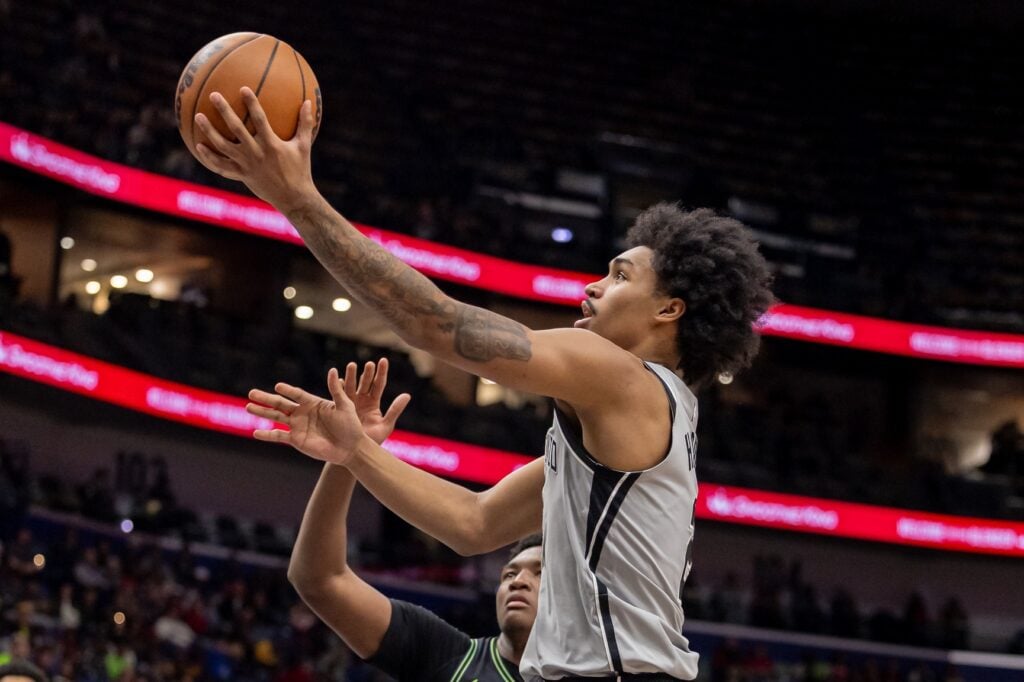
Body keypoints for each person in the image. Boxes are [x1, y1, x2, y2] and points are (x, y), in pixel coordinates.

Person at [199, 88, 772, 680]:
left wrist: (297, 199)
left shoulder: (620, 376)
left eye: (619, 276)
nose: (593, 286)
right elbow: (473, 525)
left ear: (669, 310)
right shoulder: (640, 422)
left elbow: (438, 325)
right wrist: (356, 453)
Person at [287, 359, 537, 681]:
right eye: (509, 573)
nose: (518, 581)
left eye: (540, 573)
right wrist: (346, 456)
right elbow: (320, 580)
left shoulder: (595, 667)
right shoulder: (447, 654)